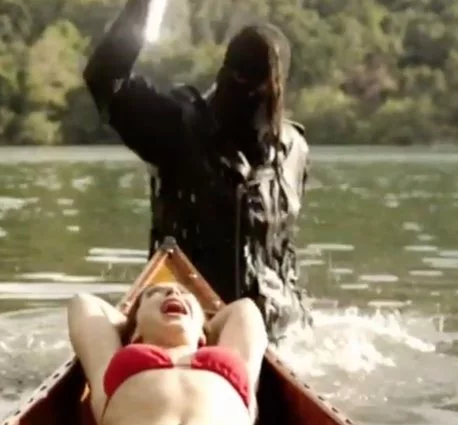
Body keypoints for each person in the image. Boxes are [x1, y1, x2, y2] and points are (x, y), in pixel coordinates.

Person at [82, 0, 312, 342]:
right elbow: (104, 78)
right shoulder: (177, 127)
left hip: (275, 334)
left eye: (260, 81)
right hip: (185, 327)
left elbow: (283, 252)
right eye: (241, 77)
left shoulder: (293, 149)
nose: (248, 90)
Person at [68, 282, 268, 425]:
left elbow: (245, 309)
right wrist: (131, 328)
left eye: (184, 293)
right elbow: (83, 303)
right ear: (135, 330)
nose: (173, 292)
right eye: (154, 293)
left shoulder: (231, 360)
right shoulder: (114, 365)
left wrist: (200, 329)